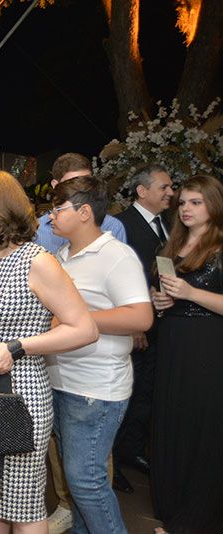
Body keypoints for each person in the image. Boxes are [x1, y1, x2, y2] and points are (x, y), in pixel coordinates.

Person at [0, 171, 97, 533]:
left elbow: (85, 329)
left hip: (18, 398)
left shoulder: (38, 261)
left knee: (22, 504)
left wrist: (20, 347)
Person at [45, 176, 152, 533]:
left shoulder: (115, 256)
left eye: (58, 209)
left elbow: (141, 317)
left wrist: (79, 320)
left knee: (86, 482)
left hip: (95, 388)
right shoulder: (61, 256)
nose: (50, 217)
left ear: (85, 212)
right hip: (62, 381)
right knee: (75, 482)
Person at [33, 153, 126, 531]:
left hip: (96, 357)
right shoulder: (40, 229)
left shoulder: (113, 228)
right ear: (55, 187)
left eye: (89, 182)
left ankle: (92, 506)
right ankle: (67, 504)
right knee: (57, 436)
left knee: (90, 455)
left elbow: (122, 298)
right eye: (74, 183)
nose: (85, 191)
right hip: (52, 350)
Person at [150, 175, 223, 534]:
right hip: (172, 343)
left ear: (214, 204)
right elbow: (169, 294)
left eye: (196, 202)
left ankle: (194, 521)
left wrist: (190, 294)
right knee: (173, 423)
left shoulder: (220, 246)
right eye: (182, 203)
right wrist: (161, 300)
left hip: (207, 347)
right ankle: (173, 510)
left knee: (202, 429)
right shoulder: (173, 243)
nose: (186, 209)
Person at [112, 164, 174, 493]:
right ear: (142, 191)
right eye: (164, 187)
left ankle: (132, 450)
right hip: (134, 327)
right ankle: (112, 461)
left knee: (146, 392)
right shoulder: (122, 225)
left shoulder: (167, 224)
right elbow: (117, 278)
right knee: (128, 392)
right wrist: (133, 325)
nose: (170, 193)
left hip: (162, 324)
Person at [35, 152, 127, 254]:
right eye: (72, 183)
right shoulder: (37, 231)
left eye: (87, 183)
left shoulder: (111, 226)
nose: (83, 189)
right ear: (55, 185)